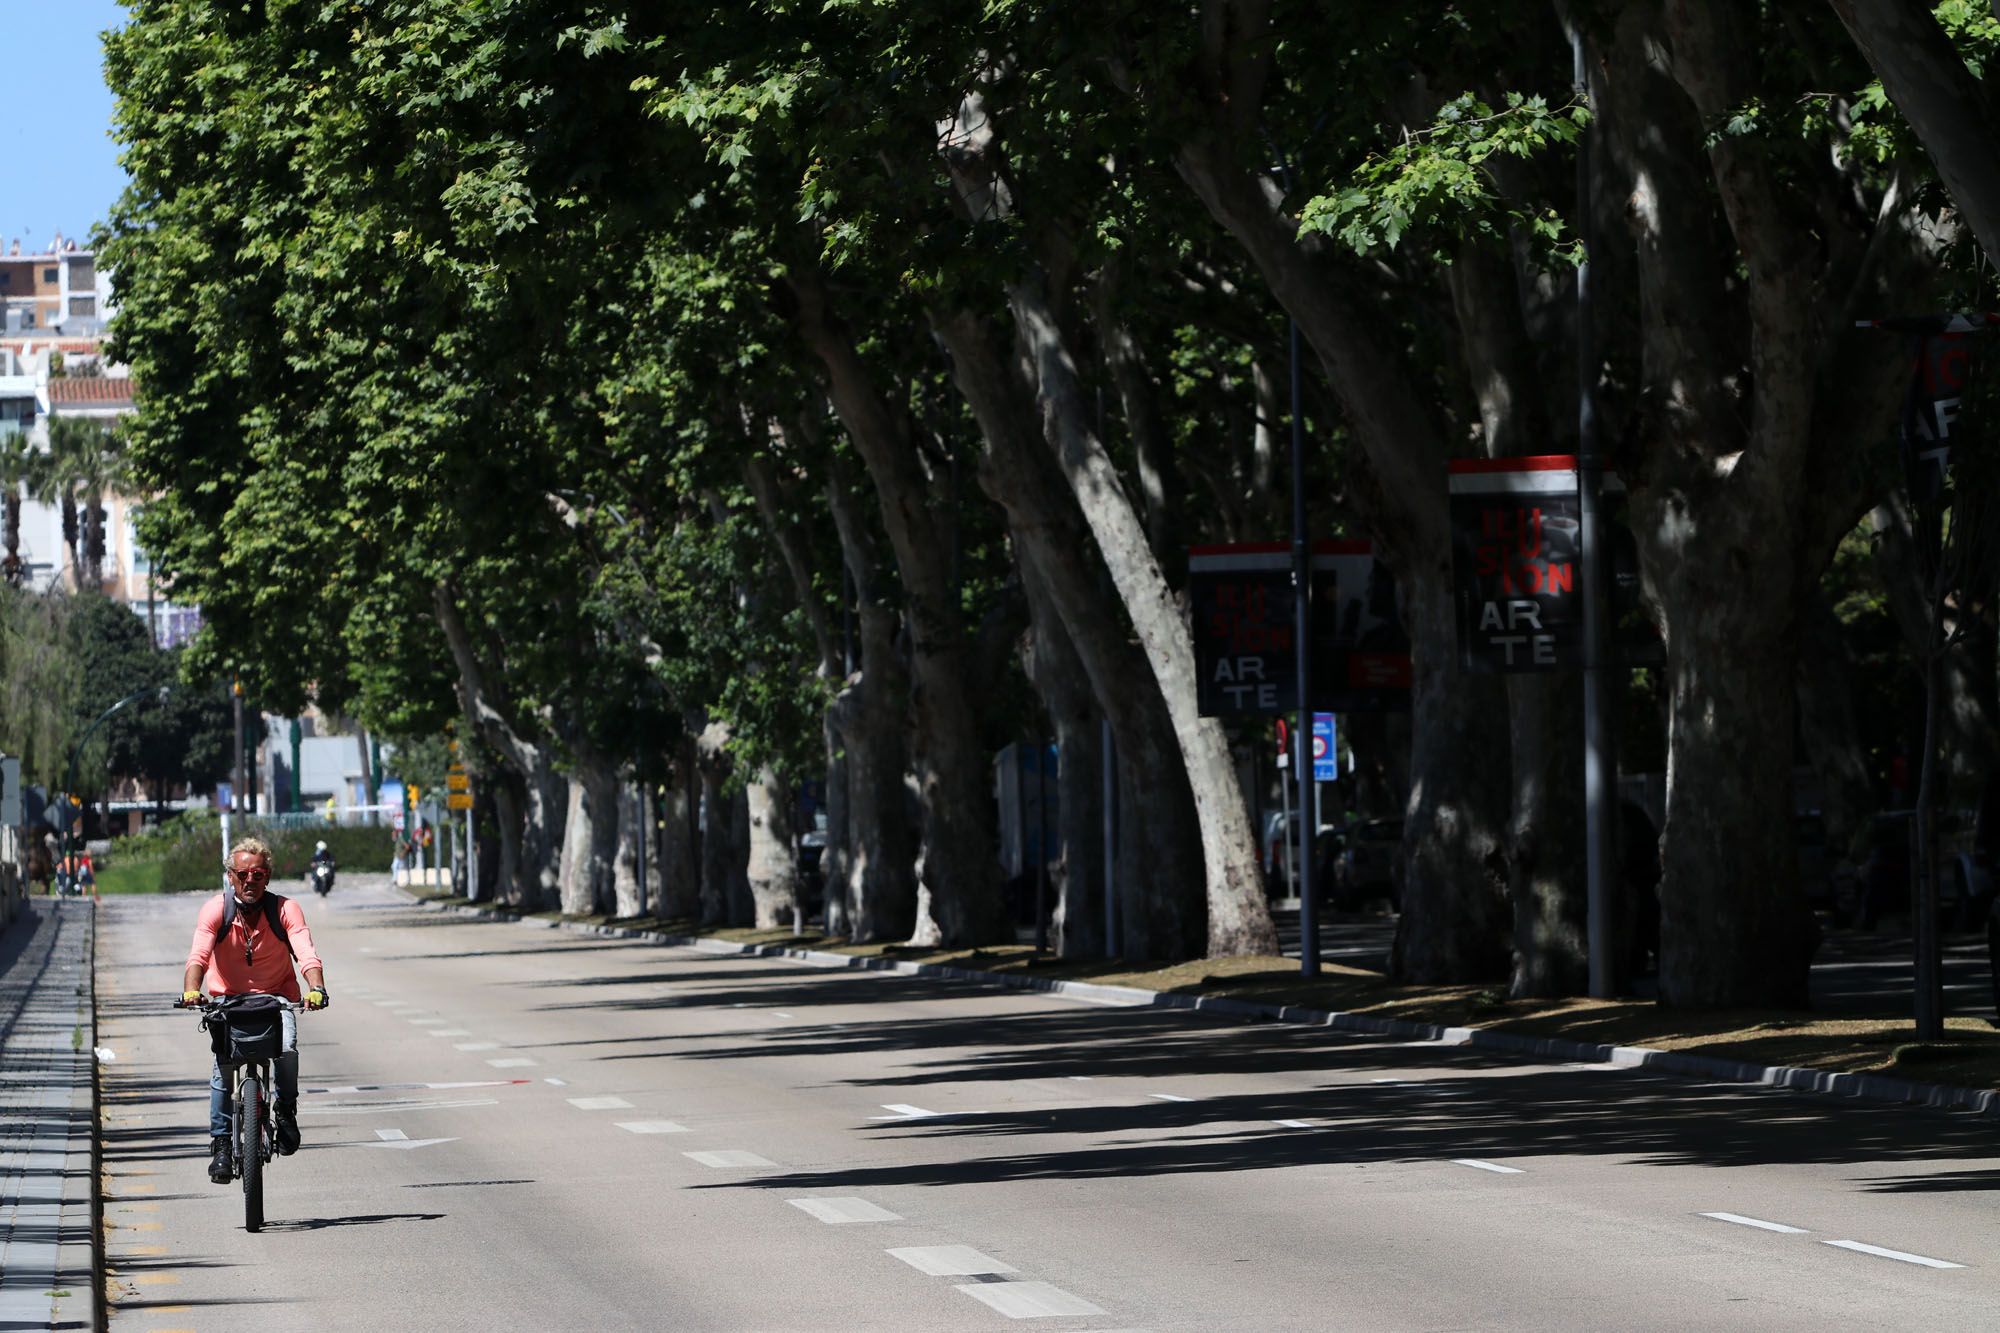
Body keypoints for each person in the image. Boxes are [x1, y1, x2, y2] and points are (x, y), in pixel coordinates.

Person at [182, 837, 329, 1184]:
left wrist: (316, 988)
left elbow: (306, 951)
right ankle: (220, 1143)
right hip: (228, 1002)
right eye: (243, 874)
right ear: (230, 876)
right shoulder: (215, 911)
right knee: (222, 1069)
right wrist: (191, 989)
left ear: (268, 876)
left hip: (276, 999)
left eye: (259, 874)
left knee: (287, 1047)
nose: (251, 881)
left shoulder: (284, 910)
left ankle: (286, 1110)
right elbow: (198, 956)